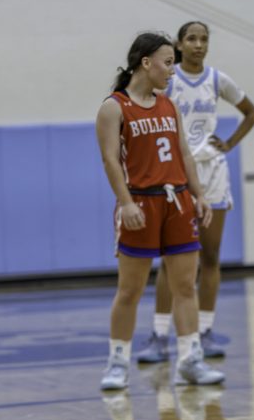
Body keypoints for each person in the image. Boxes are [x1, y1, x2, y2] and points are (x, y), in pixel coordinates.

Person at [96, 31, 225, 391]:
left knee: (185, 286)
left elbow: (184, 154)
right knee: (130, 290)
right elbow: (110, 160)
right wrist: (125, 203)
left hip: (178, 201)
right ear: (145, 62)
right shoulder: (114, 107)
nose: (172, 70)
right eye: (168, 63)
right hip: (140, 201)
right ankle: (117, 363)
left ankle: (190, 360)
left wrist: (199, 195)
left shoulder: (169, 105)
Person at [137, 21, 254, 362]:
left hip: (212, 171)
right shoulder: (168, 79)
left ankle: (204, 331)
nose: (198, 44)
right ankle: (160, 336)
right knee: (171, 259)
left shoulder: (217, 79)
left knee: (210, 257)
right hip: (175, 173)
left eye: (204, 39)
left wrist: (229, 143)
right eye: (191, 38)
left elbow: (251, 113)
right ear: (179, 44)